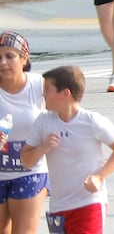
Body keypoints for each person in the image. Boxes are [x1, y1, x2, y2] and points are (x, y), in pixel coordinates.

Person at [21, 65, 114, 234]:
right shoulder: (43, 121)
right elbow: (26, 160)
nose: (43, 95)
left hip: (89, 203)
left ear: (65, 94)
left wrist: (99, 177)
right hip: (58, 207)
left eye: (47, 90)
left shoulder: (92, 121)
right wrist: (43, 148)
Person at [0, 30, 46, 234]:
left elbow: (66, 115)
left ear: (24, 58)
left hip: (31, 172)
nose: (2, 62)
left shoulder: (39, 85)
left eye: (9, 56)